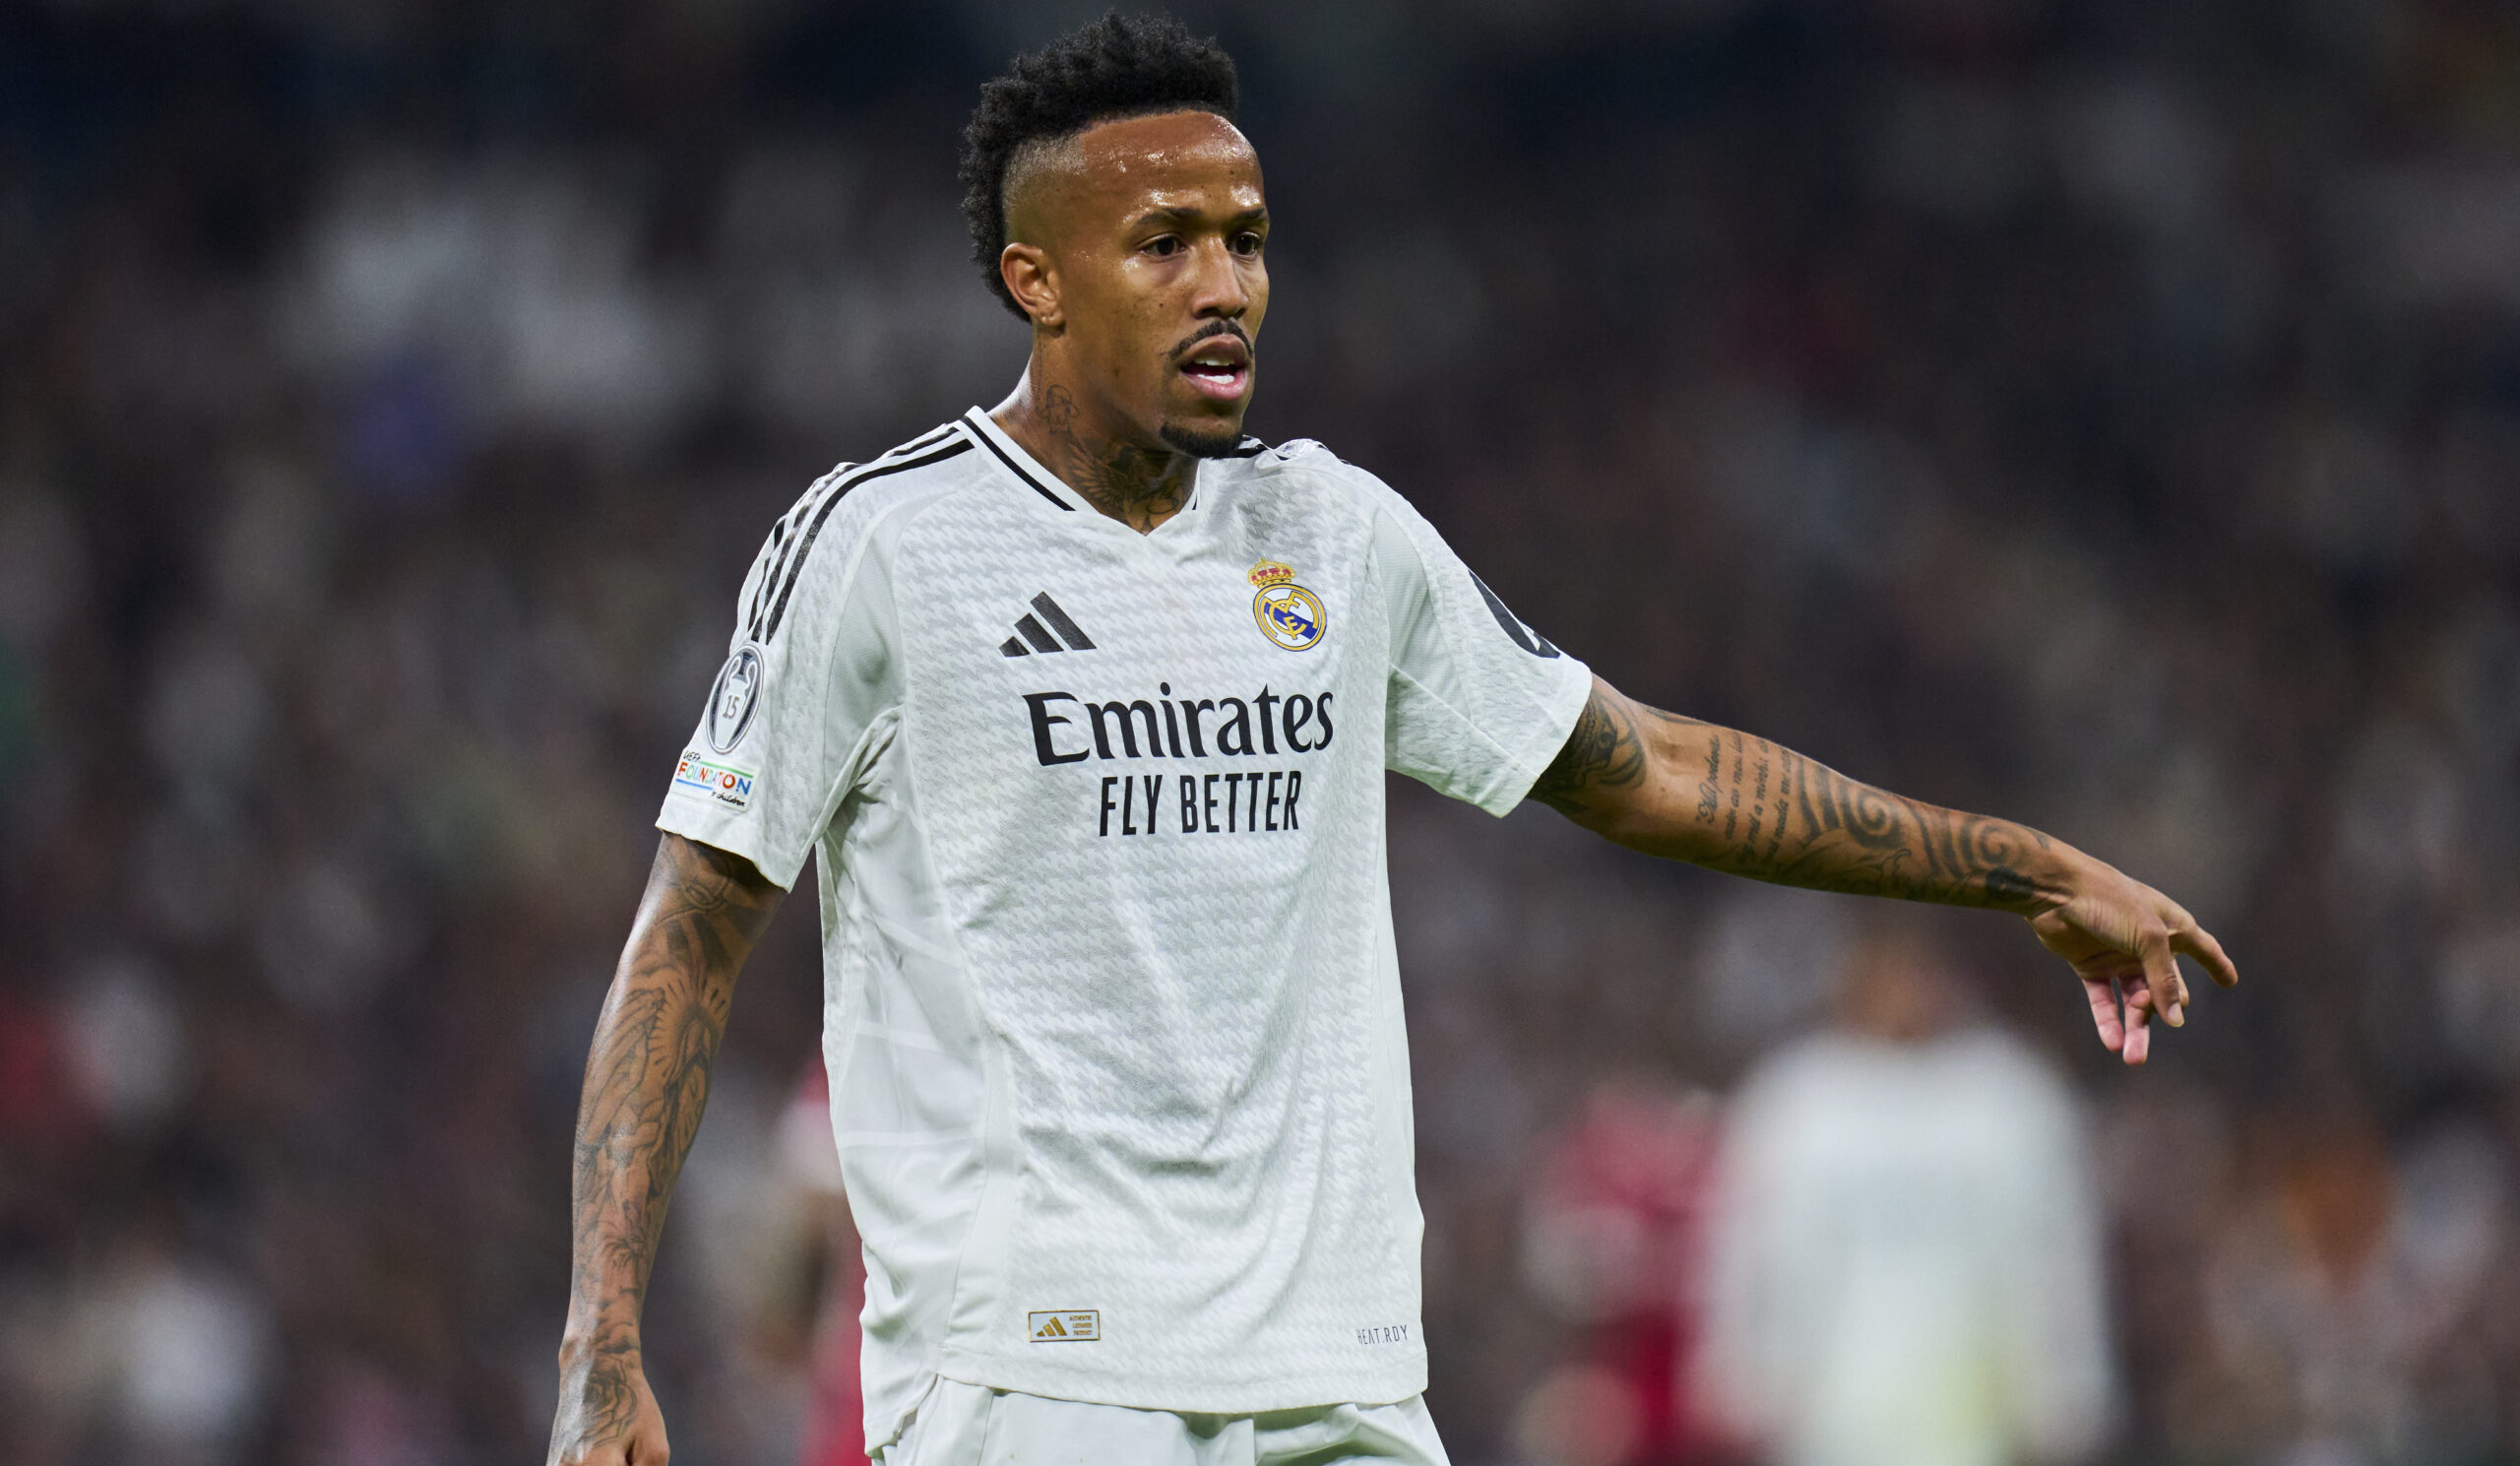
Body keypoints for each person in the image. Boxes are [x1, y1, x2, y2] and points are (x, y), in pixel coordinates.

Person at [543, 16, 2237, 1466]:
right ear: (1033, 280)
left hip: (1337, 1374)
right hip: (1036, 1374)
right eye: (1166, 245)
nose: (1227, 285)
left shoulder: (1334, 534)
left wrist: (2018, 868)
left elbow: (1640, 766)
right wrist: (601, 1338)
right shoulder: (883, 545)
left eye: (1249, 235)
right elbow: (693, 924)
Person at [1696, 914, 2113, 1466]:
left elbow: (2054, 1253)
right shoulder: (1797, 1102)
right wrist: (1740, 1375)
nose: (1904, 990)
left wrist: (2067, 1385)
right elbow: (1747, 1250)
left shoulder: (2010, 1100)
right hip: (1828, 1414)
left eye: (1918, 972)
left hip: (1973, 1415)